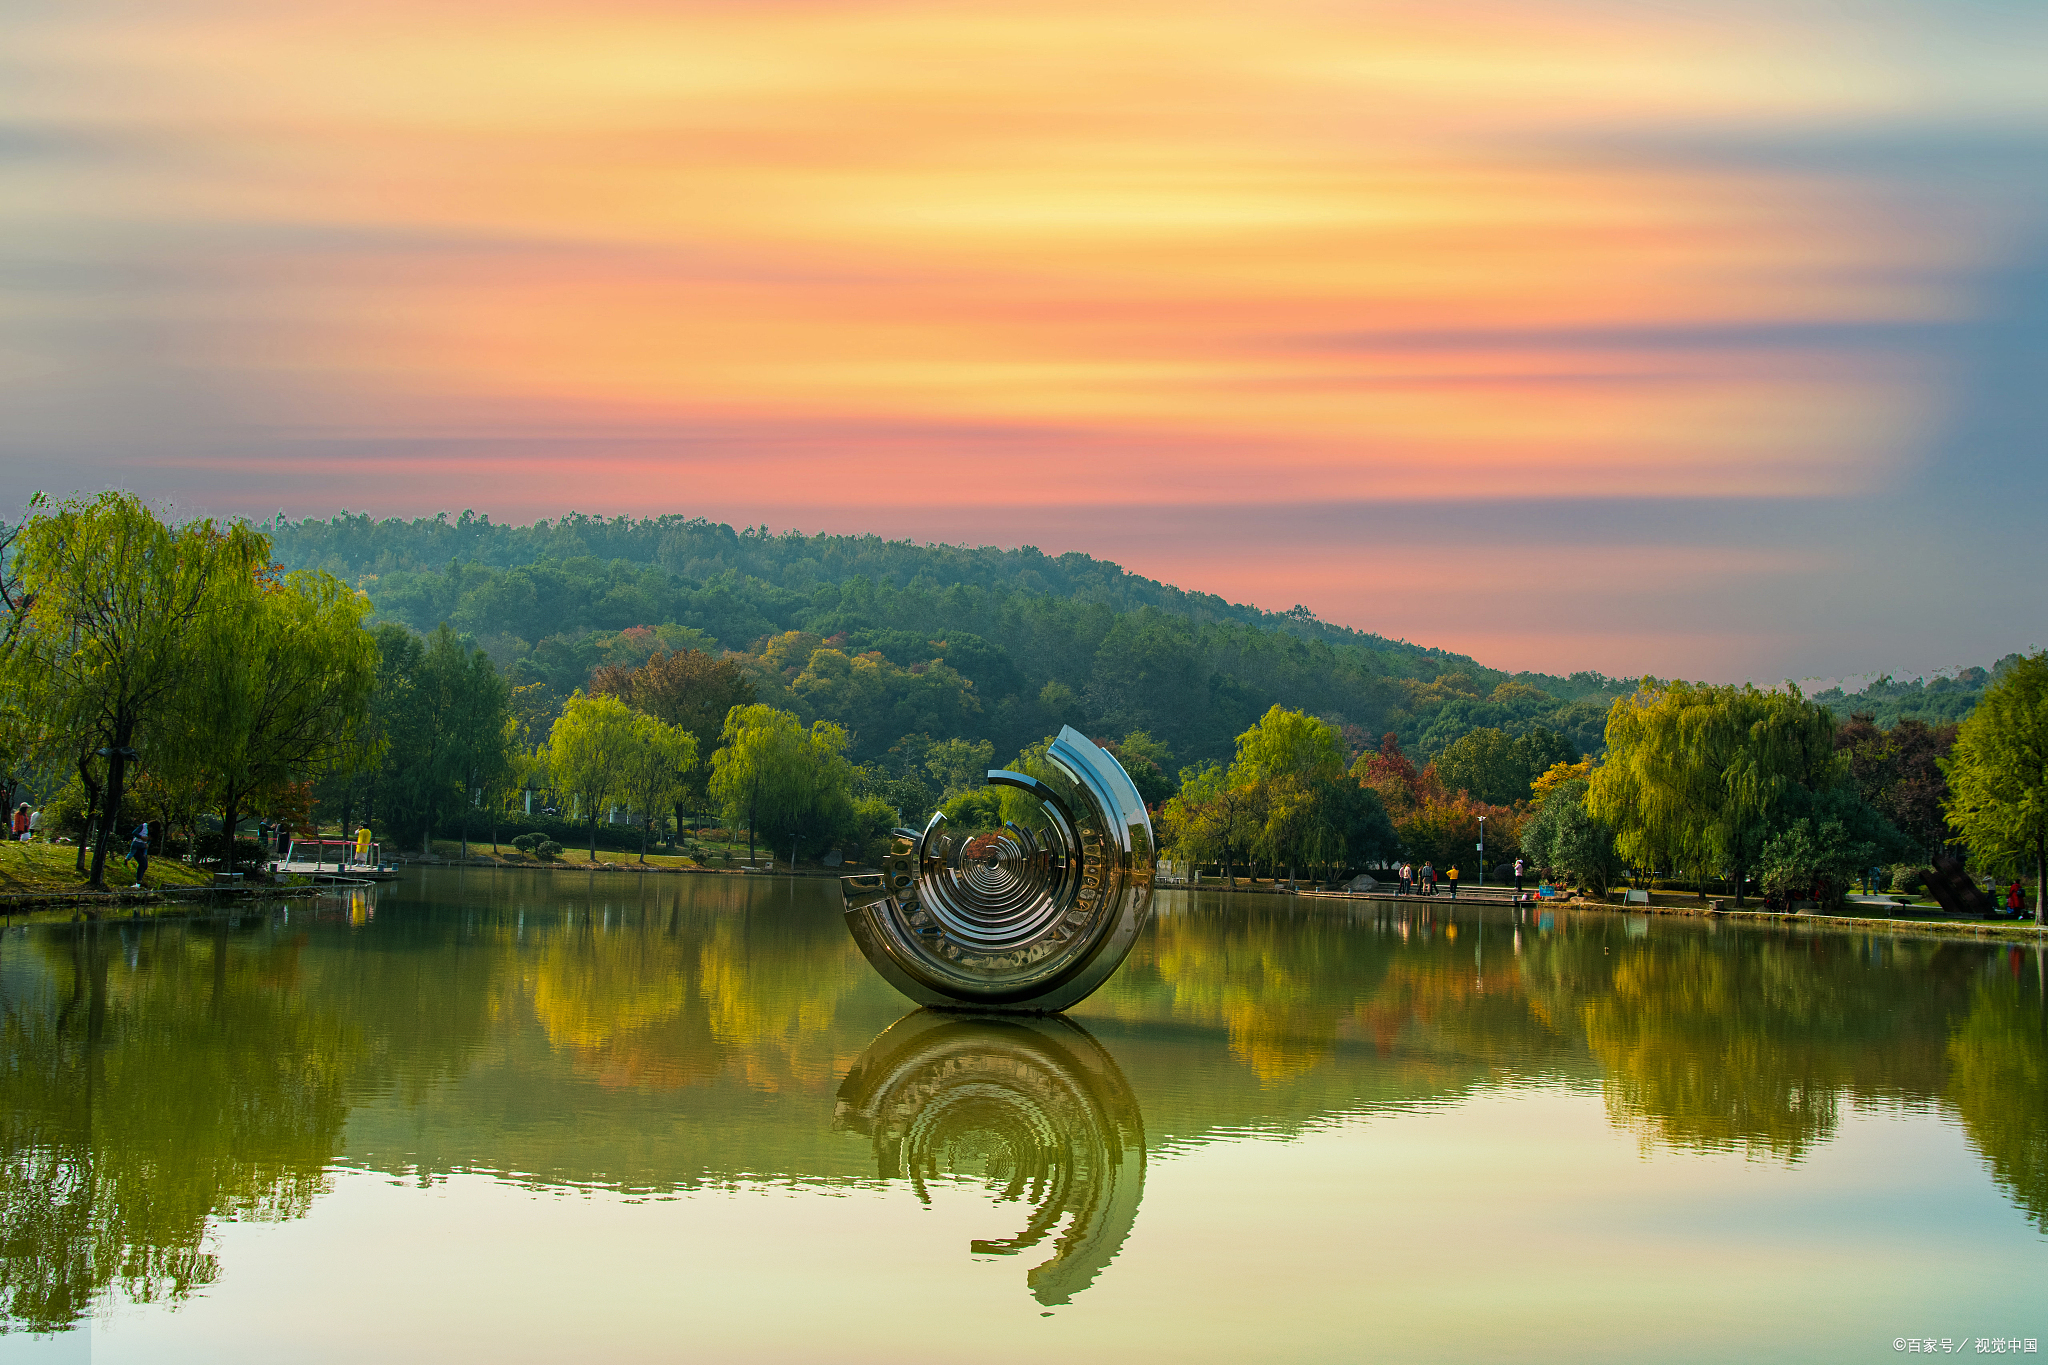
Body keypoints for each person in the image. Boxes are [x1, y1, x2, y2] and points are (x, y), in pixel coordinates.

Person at [127, 822, 150, 889]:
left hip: (143, 848)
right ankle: (138, 882)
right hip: (137, 845)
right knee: (142, 863)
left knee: (145, 865)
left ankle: (139, 882)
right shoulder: (143, 827)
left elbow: (148, 842)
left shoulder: (151, 833)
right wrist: (141, 837)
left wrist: (145, 851)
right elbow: (134, 833)